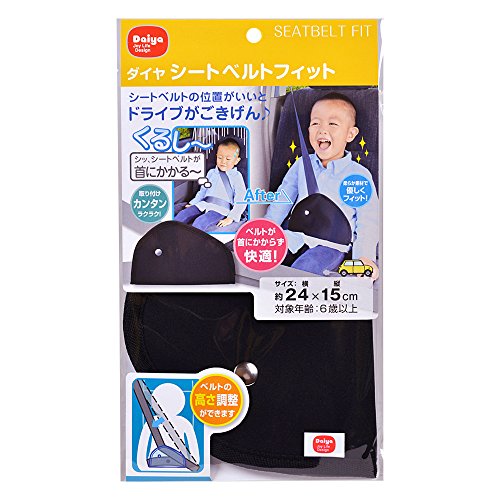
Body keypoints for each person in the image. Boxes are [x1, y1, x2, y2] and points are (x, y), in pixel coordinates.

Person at [266, 92, 379, 277]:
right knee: (260, 256)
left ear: (350, 134)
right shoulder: (302, 164)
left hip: (331, 244)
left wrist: (364, 258)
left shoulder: (358, 175)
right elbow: (282, 200)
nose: (322, 130)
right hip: (295, 236)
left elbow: (367, 222)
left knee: (304, 270)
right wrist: (266, 229)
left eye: (332, 124)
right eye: (315, 123)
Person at [175, 138, 247, 231]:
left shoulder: (236, 176)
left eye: (228, 159)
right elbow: (203, 191)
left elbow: (241, 198)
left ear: (236, 161)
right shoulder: (211, 172)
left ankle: (188, 238)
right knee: (183, 214)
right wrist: (193, 203)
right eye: (220, 158)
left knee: (200, 222)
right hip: (203, 204)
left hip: (220, 209)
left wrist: (231, 217)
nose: (223, 161)